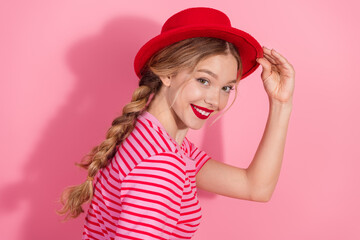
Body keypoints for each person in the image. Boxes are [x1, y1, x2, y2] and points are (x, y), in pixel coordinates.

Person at [58, 7, 295, 240]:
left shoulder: (152, 138)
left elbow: (254, 188)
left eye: (226, 88)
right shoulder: (160, 164)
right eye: (203, 80)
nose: (215, 101)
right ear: (168, 74)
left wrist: (280, 103)